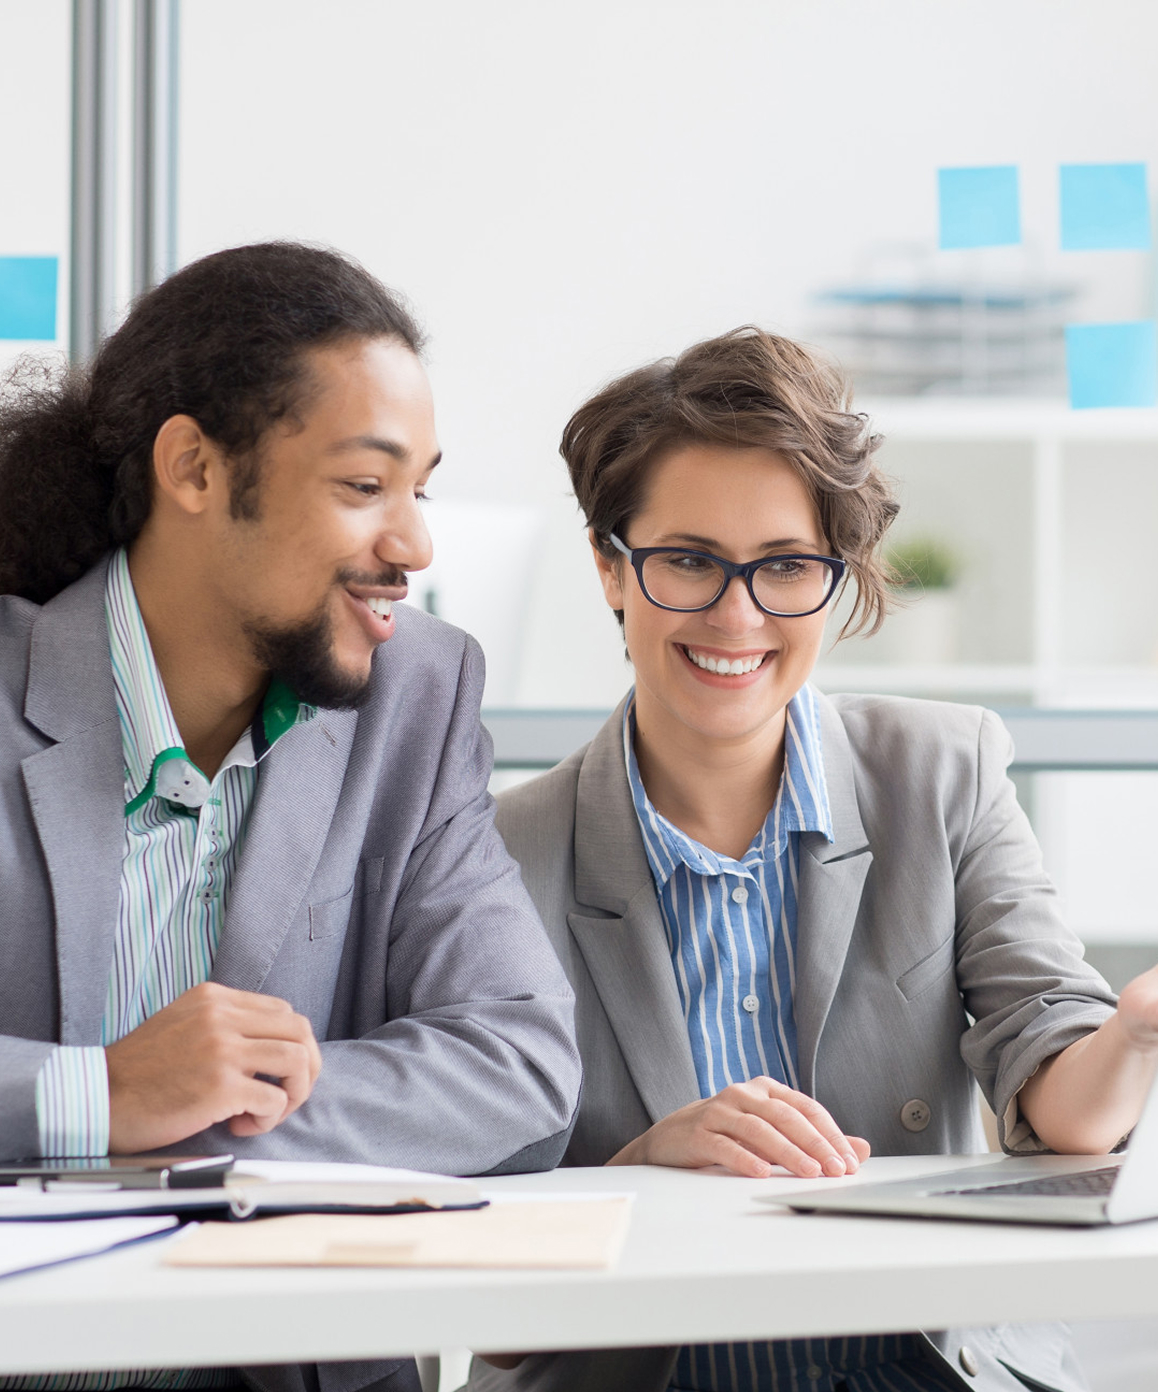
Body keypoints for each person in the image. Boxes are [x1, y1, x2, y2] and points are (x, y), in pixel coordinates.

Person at [465, 328, 1158, 1392]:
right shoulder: (501, 855)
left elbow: (1061, 1095)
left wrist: (1135, 1034)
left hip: (916, 1366)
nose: (736, 615)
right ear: (612, 567)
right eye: (688, 560)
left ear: (837, 579)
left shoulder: (945, 772)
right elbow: (484, 1289)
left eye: (785, 565)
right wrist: (640, 1168)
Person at [0, 241, 581, 1392]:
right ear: (196, 470)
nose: (414, 544)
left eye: (420, 488)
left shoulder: (418, 696)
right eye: (365, 487)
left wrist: (207, 1129)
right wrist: (97, 1096)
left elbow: (517, 1059)